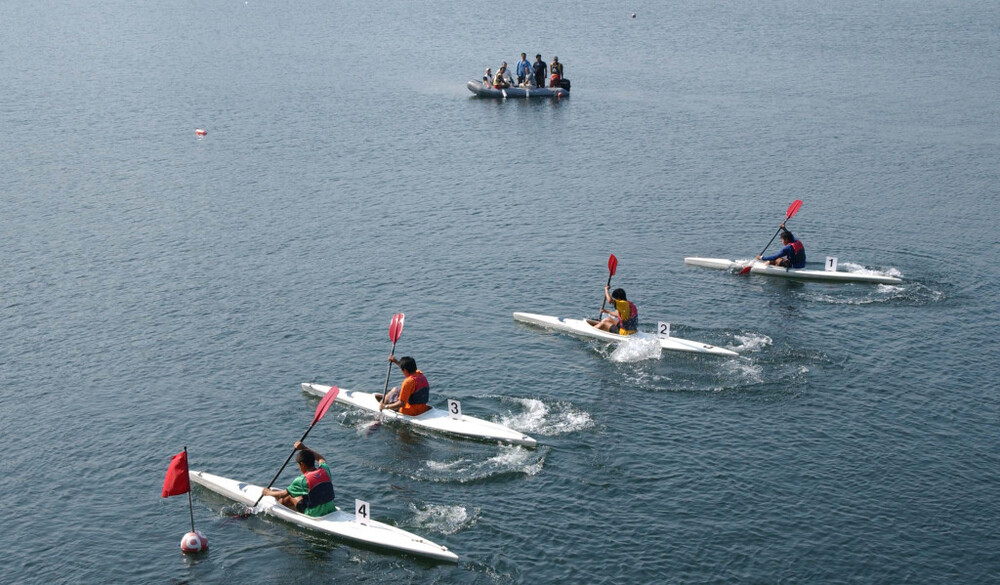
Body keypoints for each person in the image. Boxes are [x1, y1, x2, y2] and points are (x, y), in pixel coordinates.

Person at [261, 441, 335, 517]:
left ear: (302, 464)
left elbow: (282, 494)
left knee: (289, 496)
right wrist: (304, 448)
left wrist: (267, 493)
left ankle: (277, 508)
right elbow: (320, 458)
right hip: (331, 508)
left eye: (298, 465)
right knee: (301, 493)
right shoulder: (325, 470)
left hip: (314, 514)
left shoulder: (302, 480)